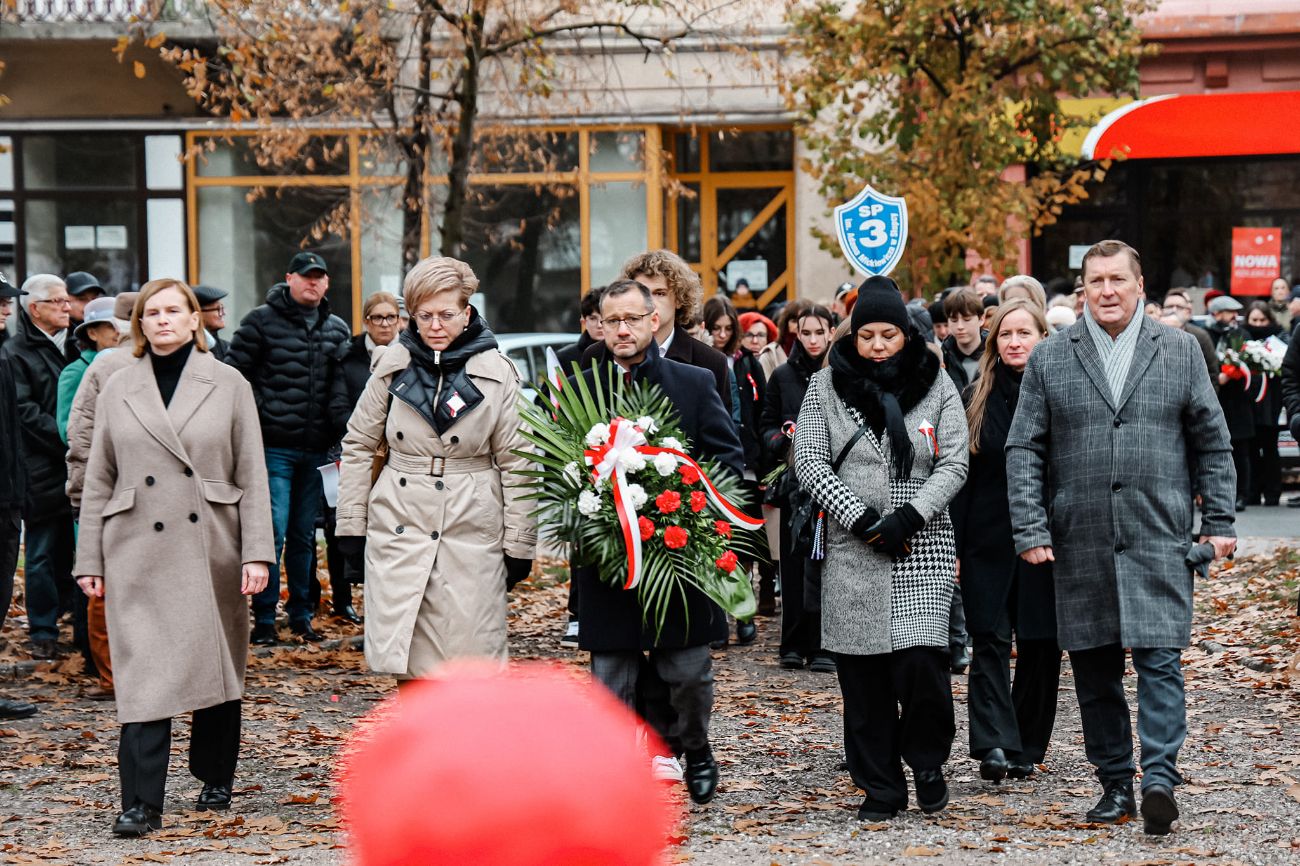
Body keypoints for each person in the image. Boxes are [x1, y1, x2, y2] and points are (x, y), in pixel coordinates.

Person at [1006, 239, 1236, 836]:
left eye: (1118, 279)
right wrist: (1030, 526)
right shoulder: (1051, 358)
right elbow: (1024, 448)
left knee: (1161, 662)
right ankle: (1115, 784)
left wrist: (1219, 523)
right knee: (1093, 668)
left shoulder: (1180, 350)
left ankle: (1159, 778)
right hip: (1078, 536)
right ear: (1083, 290)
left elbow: (1212, 442)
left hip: (1158, 533)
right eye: (1096, 281)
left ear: (1140, 286)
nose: (1107, 291)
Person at [74, 278, 274, 837]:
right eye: (152, 312)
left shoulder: (229, 383)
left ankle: (215, 774)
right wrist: (89, 557)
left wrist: (257, 552)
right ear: (139, 324)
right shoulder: (118, 385)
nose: (162, 319)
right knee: (144, 672)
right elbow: (98, 476)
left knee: (214, 660)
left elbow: (252, 472)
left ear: (194, 319)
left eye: (173, 310)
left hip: (211, 541)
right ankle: (140, 802)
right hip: (136, 544)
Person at [794, 276, 969, 821]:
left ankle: (927, 761)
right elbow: (809, 461)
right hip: (855, 548)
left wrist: (911, 515)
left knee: (922, 667)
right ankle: (881, 787)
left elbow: (955, 460)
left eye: (887, 335)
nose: (876, 346)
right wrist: (862, 518)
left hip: (922, 545)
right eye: (866, 335)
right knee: (863, 680)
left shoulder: (935, 382)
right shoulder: (825, 385)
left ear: (905, 334)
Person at [572, 278, 744, 806]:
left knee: (687, 670)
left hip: (677, 549)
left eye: (632, 319)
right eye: (612, 321)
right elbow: (559, 464)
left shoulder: (694, 381)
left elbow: (726, 459)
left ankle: (696, 749)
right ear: (599, 326)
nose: (622, 329)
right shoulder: (580, 384)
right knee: (611, 677)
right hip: (609, 554)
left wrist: (692, 502)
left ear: (653, 320)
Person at [336, 257, 536, 682]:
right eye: (424, 316)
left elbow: (518, 460)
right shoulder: (391, 365)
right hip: (400, 520)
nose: (435, 326)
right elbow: (358, 443)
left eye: (446, 314)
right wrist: (351, 523)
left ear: (467, 312)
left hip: (472, 522)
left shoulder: (497, 372)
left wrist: (519, 543)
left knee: (471, 663)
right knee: (408, 657)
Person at [950, 300, 1061, 784]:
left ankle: (1026, 745)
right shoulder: (975, 396)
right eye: (1005, 334)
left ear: (1043, 338)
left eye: (1024, 333)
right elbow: (960, 477)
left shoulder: (1062, 393)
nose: (1014, 342)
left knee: (1041, 643)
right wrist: (955, 545)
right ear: (993, 343)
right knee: (989, 638)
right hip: (986, 538)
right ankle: (994, 741)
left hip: (1046, 539)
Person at [226, 251, 351, 644]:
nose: (312, 282)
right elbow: (234, 374)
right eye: (306, 275)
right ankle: (264, 620)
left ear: (326, 283)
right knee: (272, 532)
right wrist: (262, 413)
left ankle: (301, 615)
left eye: (319, 277)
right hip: (273, 448)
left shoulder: (336, 329)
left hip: (316, 451)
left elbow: (341, 385)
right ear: (289, 278)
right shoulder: (259, 322)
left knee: (303, 536)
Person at [64, 291, 139, 702]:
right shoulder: (112, 365)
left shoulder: (105, 365)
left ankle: (112, 676)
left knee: (105, 586)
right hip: (144, 494)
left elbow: (81, 435)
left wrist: (80, 494)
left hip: (111, 492)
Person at [0, 274, 79, 660]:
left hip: (73, 465)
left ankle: (68, 617)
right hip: (40, 466)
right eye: (59, 301)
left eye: (67, 300)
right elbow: (24, 411)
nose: (68, 307)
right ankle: (43, 629)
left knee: (71, 548)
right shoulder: (15, 352)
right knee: (42, 550)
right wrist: (68, 436)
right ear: (35, 309)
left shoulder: (76, 344)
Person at [760, 303, 834, 672]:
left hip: (831, 481)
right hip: (794, 481)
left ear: (832, 332)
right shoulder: (783, 375)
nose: (813, 339)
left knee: (824, 563)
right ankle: (792, 643)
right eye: (806, 332)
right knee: (791, 564)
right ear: (796, 333)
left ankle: (823, 644)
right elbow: (766, 423)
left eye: (820, 332)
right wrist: (782, 441)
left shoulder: (839, 373)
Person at [328, 291, 402, 623]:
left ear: (400, 321)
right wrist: (367, 432)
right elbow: (337, 408)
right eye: (378, 317)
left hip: (399, 455)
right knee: (345, 524)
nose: (385, 324)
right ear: (366, 322)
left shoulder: (411, 356)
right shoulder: (347, 358)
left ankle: (387, 608)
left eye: (391, 317)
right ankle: (344, 598)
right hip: (357, 452)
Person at [586, 250, 733, 416]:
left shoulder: (710, 361)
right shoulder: (597, 354)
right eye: (642, 292)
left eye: (660, 293)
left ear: (679, 299)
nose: (650, 301)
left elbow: (720, 428)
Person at [0, 275, 37, 720]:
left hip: (7, 499)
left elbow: (12, 434)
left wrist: (19, 492)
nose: (8, 310)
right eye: (1, 303)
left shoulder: (3, 357)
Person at [1205, 295, 1254, 511]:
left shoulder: (1241, 335)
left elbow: (1250, 361)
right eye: (1229, 312)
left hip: (1238, 401)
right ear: (1216, 314)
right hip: (1215, 399)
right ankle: (1216, 495)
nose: (1234, 316)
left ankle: (1242, 494)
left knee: (1241, 451)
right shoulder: (1206, 335)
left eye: (1235, 312)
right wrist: (1218, 377)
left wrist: (1235, 372)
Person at [57, 296, 122, 442]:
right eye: (111, 326)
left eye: (122, 324)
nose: (119, 331)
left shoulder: (134, 364)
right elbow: (68, 430)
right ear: (92, 333)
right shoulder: (75, 372)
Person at [1243, 302, 1285, 506]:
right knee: (1251, 448)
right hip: (1248, 402)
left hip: (1271, 402)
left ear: (1270, 319)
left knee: (1270, 448)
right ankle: (1252, 492)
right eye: (1254, 320)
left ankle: (1272, 492)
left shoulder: (1280, 338)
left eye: (1262, 320)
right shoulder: (1242, 338)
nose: (1258, 324)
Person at [1161, 290, 1218, 391]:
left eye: (1179, 307)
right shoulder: (1151, 334)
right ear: (1162, 310)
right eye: (1169, 306)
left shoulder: (1200, 336)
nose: (1174, 310)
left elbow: (1212, 372)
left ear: (1187, 312)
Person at [554, 285, 605, 373]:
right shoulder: (564, 357)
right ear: (583, 321)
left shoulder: (623, 353)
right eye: (593, 318)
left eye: (604, 318)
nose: (599, 325)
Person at [193, 285, 231, 362]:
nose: (223, 313)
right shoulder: (190, 349)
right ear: (198, 314)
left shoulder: (227, 347)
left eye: (222, 308)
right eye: (218, 309)